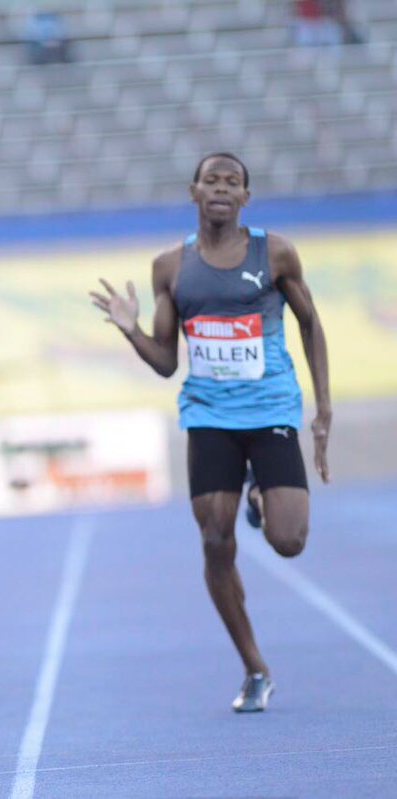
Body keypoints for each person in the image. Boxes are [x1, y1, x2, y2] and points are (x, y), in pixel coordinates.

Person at [90, 153, 331, 713]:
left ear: (246, 197)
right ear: (194, 190)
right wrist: (130, 330)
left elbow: (311, 324)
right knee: (216, 541)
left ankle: (258, 492)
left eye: (234, 182)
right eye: (212, 180)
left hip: (270, 410)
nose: (222, 188)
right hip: (209, 417)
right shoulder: (170, 267)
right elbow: (165, 362)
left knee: (289, 542)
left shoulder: (275, 253)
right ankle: (254, 667)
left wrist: (323, 408)